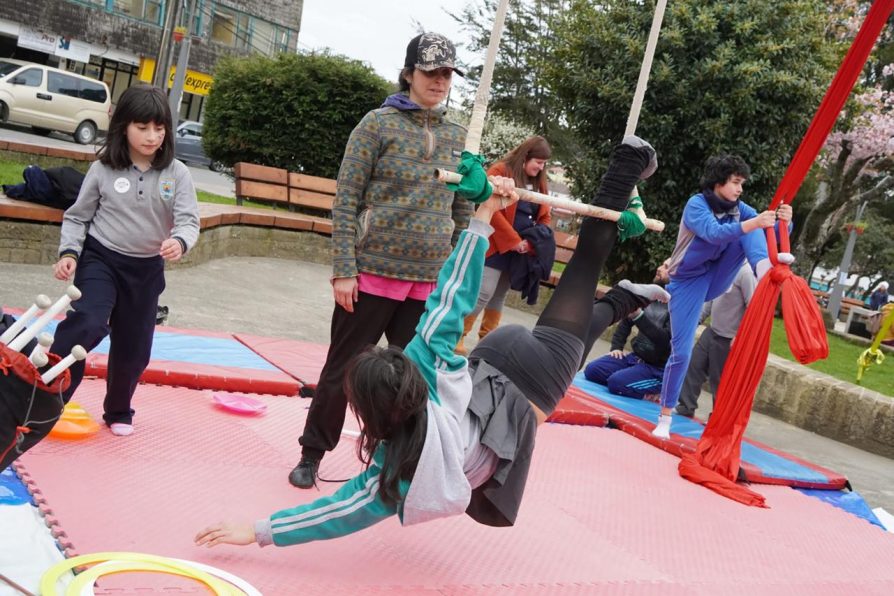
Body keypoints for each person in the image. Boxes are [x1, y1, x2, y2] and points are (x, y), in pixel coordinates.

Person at [194, 137, 658, 548]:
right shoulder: (421, 364)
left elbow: (334, 514)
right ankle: (623, 254)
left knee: (580, 299)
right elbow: (450, 299)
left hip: (525, 385)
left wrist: (259, 532)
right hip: (493, 357)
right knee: (575, 314)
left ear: (371, 414)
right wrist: (481, 219)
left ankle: (621, 276)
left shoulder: (393, 474)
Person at [288, 32, 475, 489]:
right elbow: (346, 199)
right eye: (431, 72)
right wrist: (343, 269)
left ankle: (402, 463)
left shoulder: (456, 134)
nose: (439, 81)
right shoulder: (376, 124)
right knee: (343, 369)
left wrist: (456, 259)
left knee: (414, 379)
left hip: (426, 280)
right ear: (409, 73)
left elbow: (463, 204)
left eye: (447, 73)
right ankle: (312, 453)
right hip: (371, 274)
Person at [49, 84, 199, 437]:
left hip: (145, 269)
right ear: (123, 127)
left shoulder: (177, 174)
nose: (151, 136)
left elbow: (189, 220)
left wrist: (180, 241)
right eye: (142, 128)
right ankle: (47, 394)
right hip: (101, 259)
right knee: (87, 322)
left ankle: (118, 409)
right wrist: (69, 253)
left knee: (134, 349)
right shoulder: (103, 169)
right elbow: (77, 216)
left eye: (159, 129)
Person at [651, 155, 792, 439]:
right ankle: (665, 418)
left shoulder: (742, 209)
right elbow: (713, 233)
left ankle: (763, 268)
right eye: (735, 183)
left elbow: (770, 230)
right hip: (690, 280)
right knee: (682, 351)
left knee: (750, 222)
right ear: (719, 182)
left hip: (719, 275)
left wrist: (785, 224)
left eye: (742, 183)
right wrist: (754, 224)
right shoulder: (696, 204)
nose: (740, 189)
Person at [455, 136, 555, 355]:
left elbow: (545, 214)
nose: (541, 167)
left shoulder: (540, 182)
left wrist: (532, 242)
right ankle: (458, 336)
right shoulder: (500, 170)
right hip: (494, 244)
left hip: (520, 250)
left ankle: (487, 342)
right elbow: (490, 206)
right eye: (538, 161)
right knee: (483, 292)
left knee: (499, 295)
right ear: (525, 157)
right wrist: (513, 240)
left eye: (544, 163)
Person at [675, 262, 756, 418]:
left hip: (728, 338)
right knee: (694, 365)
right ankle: (686, 406)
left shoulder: (746, 273)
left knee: (719, 379)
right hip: (712, 331)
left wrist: (740, 335)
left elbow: (753, 306)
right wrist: (695, 321)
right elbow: (711, 299)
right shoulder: (724, 267)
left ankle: (718, 417)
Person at [583, 259, 671, 399]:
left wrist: (639, 317)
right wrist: (616, 347)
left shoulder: (678, 307)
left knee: (616, 383)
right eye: (662, 264)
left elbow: (664, 341)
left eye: (666, 267)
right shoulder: (651, 294)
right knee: (592, 370)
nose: (659, 268)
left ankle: (654, 390)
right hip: (636, 359)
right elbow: (627, 320)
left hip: (657, 369)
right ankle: (630, 378)